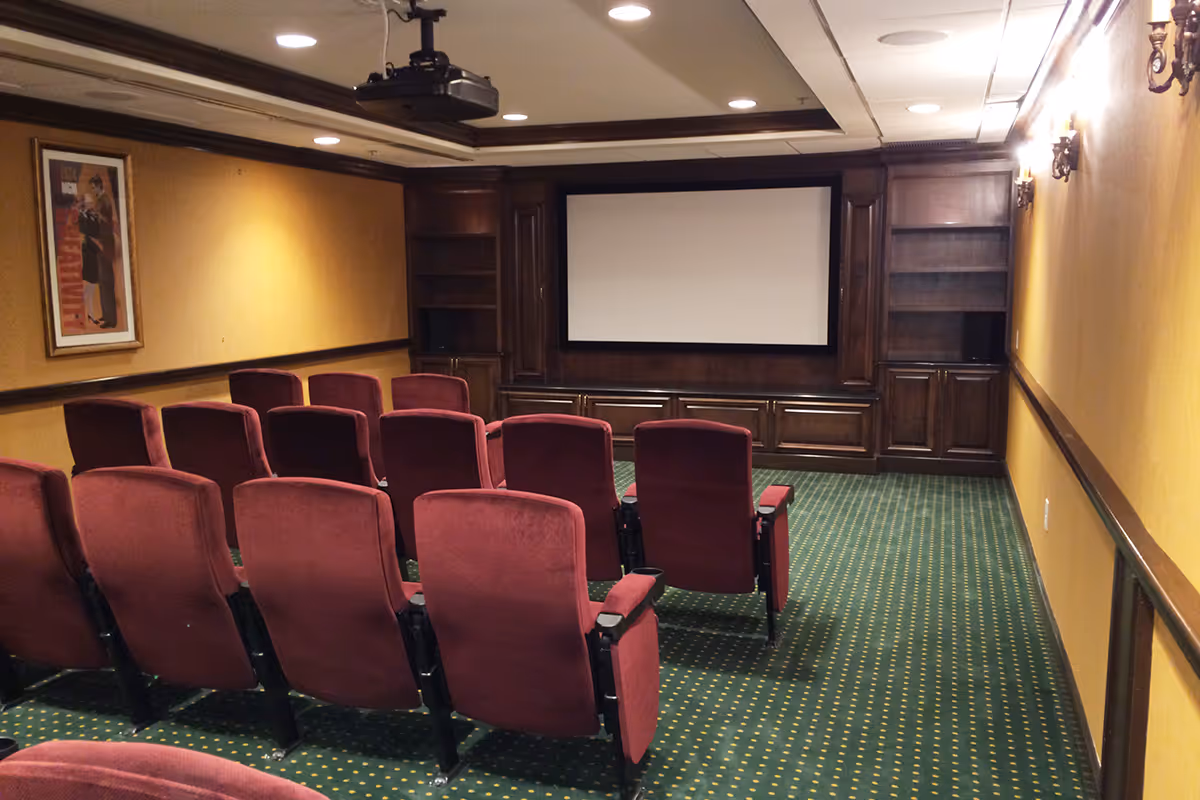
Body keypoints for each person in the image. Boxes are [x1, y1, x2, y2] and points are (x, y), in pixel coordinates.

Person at [77, 173, 117, 329]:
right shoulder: (101, 200)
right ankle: (107, 315)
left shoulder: (104, 200)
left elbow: (104, 221)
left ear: (100, 186)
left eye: (94, 187)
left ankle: (111, 319)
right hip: (101, 244)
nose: (93, 191)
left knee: (106, 281)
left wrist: (92, 215)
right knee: (103, 281)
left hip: (105, 244)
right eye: (92, 188)